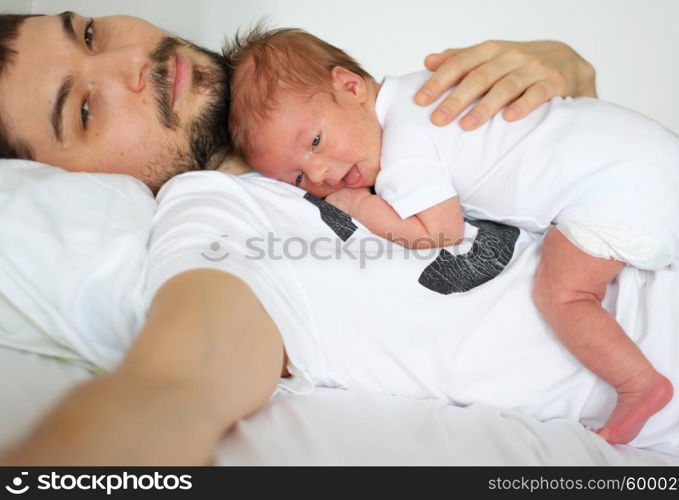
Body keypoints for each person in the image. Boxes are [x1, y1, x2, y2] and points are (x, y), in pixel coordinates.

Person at [0, 12, 604, 464]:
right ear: (58, 181)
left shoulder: (351, 110)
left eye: (86, 34)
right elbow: (176, 386)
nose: (128, 65)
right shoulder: (217, 216)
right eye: (83, 109)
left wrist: (572, 82)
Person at [226, 28, 679, 444]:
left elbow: (439, 231)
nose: (322, 174)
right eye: (297, 179)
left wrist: (359, 205)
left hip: (622, 189)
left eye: (314, 143)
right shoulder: (422, 92)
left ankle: (639, 384)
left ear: (350, 86)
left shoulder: (402, 151)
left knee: (564, 293)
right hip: (666, 155)